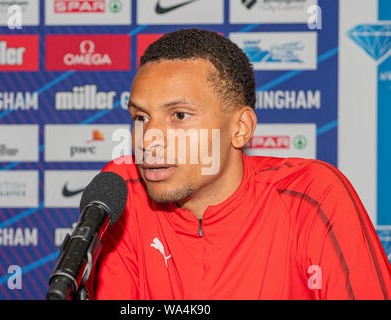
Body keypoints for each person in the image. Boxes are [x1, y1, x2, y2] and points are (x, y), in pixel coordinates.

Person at [87, 28, 391, 299]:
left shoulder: (311, 194)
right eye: (141, 117)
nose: (147, 138)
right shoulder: (123, 193)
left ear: (240, 128)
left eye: (179, 115)